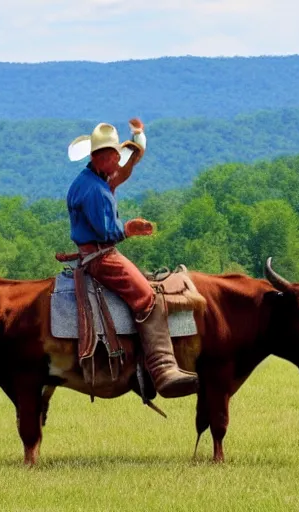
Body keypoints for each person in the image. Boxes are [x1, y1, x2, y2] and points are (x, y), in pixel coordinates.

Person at [66, 119, 198, 398]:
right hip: (102, 257)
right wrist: (130, 229)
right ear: (98, 159)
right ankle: (163, 370)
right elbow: (106, 232)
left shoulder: (93, 179)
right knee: (147, 297)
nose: (118, 163)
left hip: (94, 253)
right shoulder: (95, 191)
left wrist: (138, 137)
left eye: (117, 157)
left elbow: (127, 168)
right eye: (113, 158)